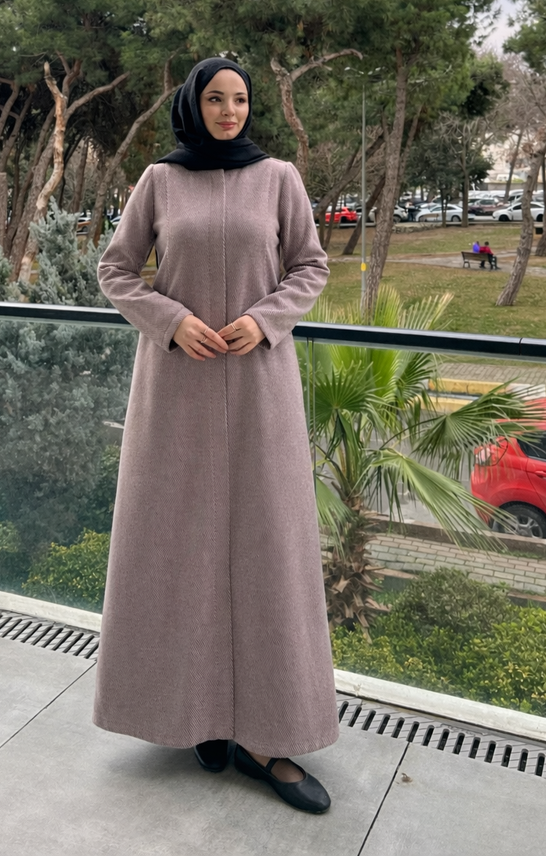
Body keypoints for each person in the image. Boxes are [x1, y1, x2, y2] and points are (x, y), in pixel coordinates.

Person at [93, 57, 337, 815]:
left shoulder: (280, 178)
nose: (229, 111)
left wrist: (264, 320)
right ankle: (198, 715)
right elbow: (116, 269)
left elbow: (310, 266)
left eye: (240, 99)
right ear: (191, 106)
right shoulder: (159, 180)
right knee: (179, 550)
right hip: (177, 392)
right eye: (215, 99)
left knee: (266, 549)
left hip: (261, 389)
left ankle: (267, 737)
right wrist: (171, 321)